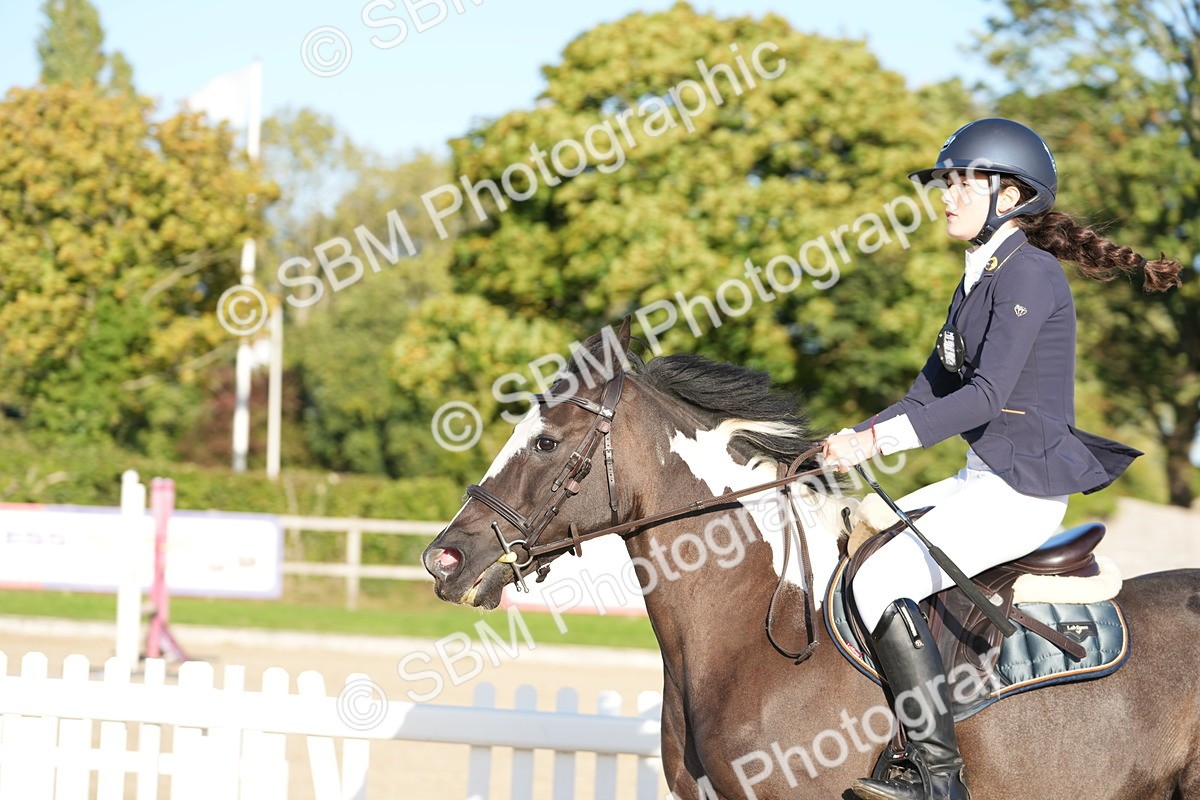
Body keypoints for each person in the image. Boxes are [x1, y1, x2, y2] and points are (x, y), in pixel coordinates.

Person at [821, 117, 1183, 800]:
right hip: (979, 480)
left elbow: (984, 397)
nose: (947, 196)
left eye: (964, 183)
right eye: (945, 184)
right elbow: (925, 395)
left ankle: (937, 776)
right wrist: (844, 440)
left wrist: (875, 443)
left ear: (1010, 196)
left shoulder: (1031, 274)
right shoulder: (978, 278)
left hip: (1021, 492)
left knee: (879, 580)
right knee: (860, 534)